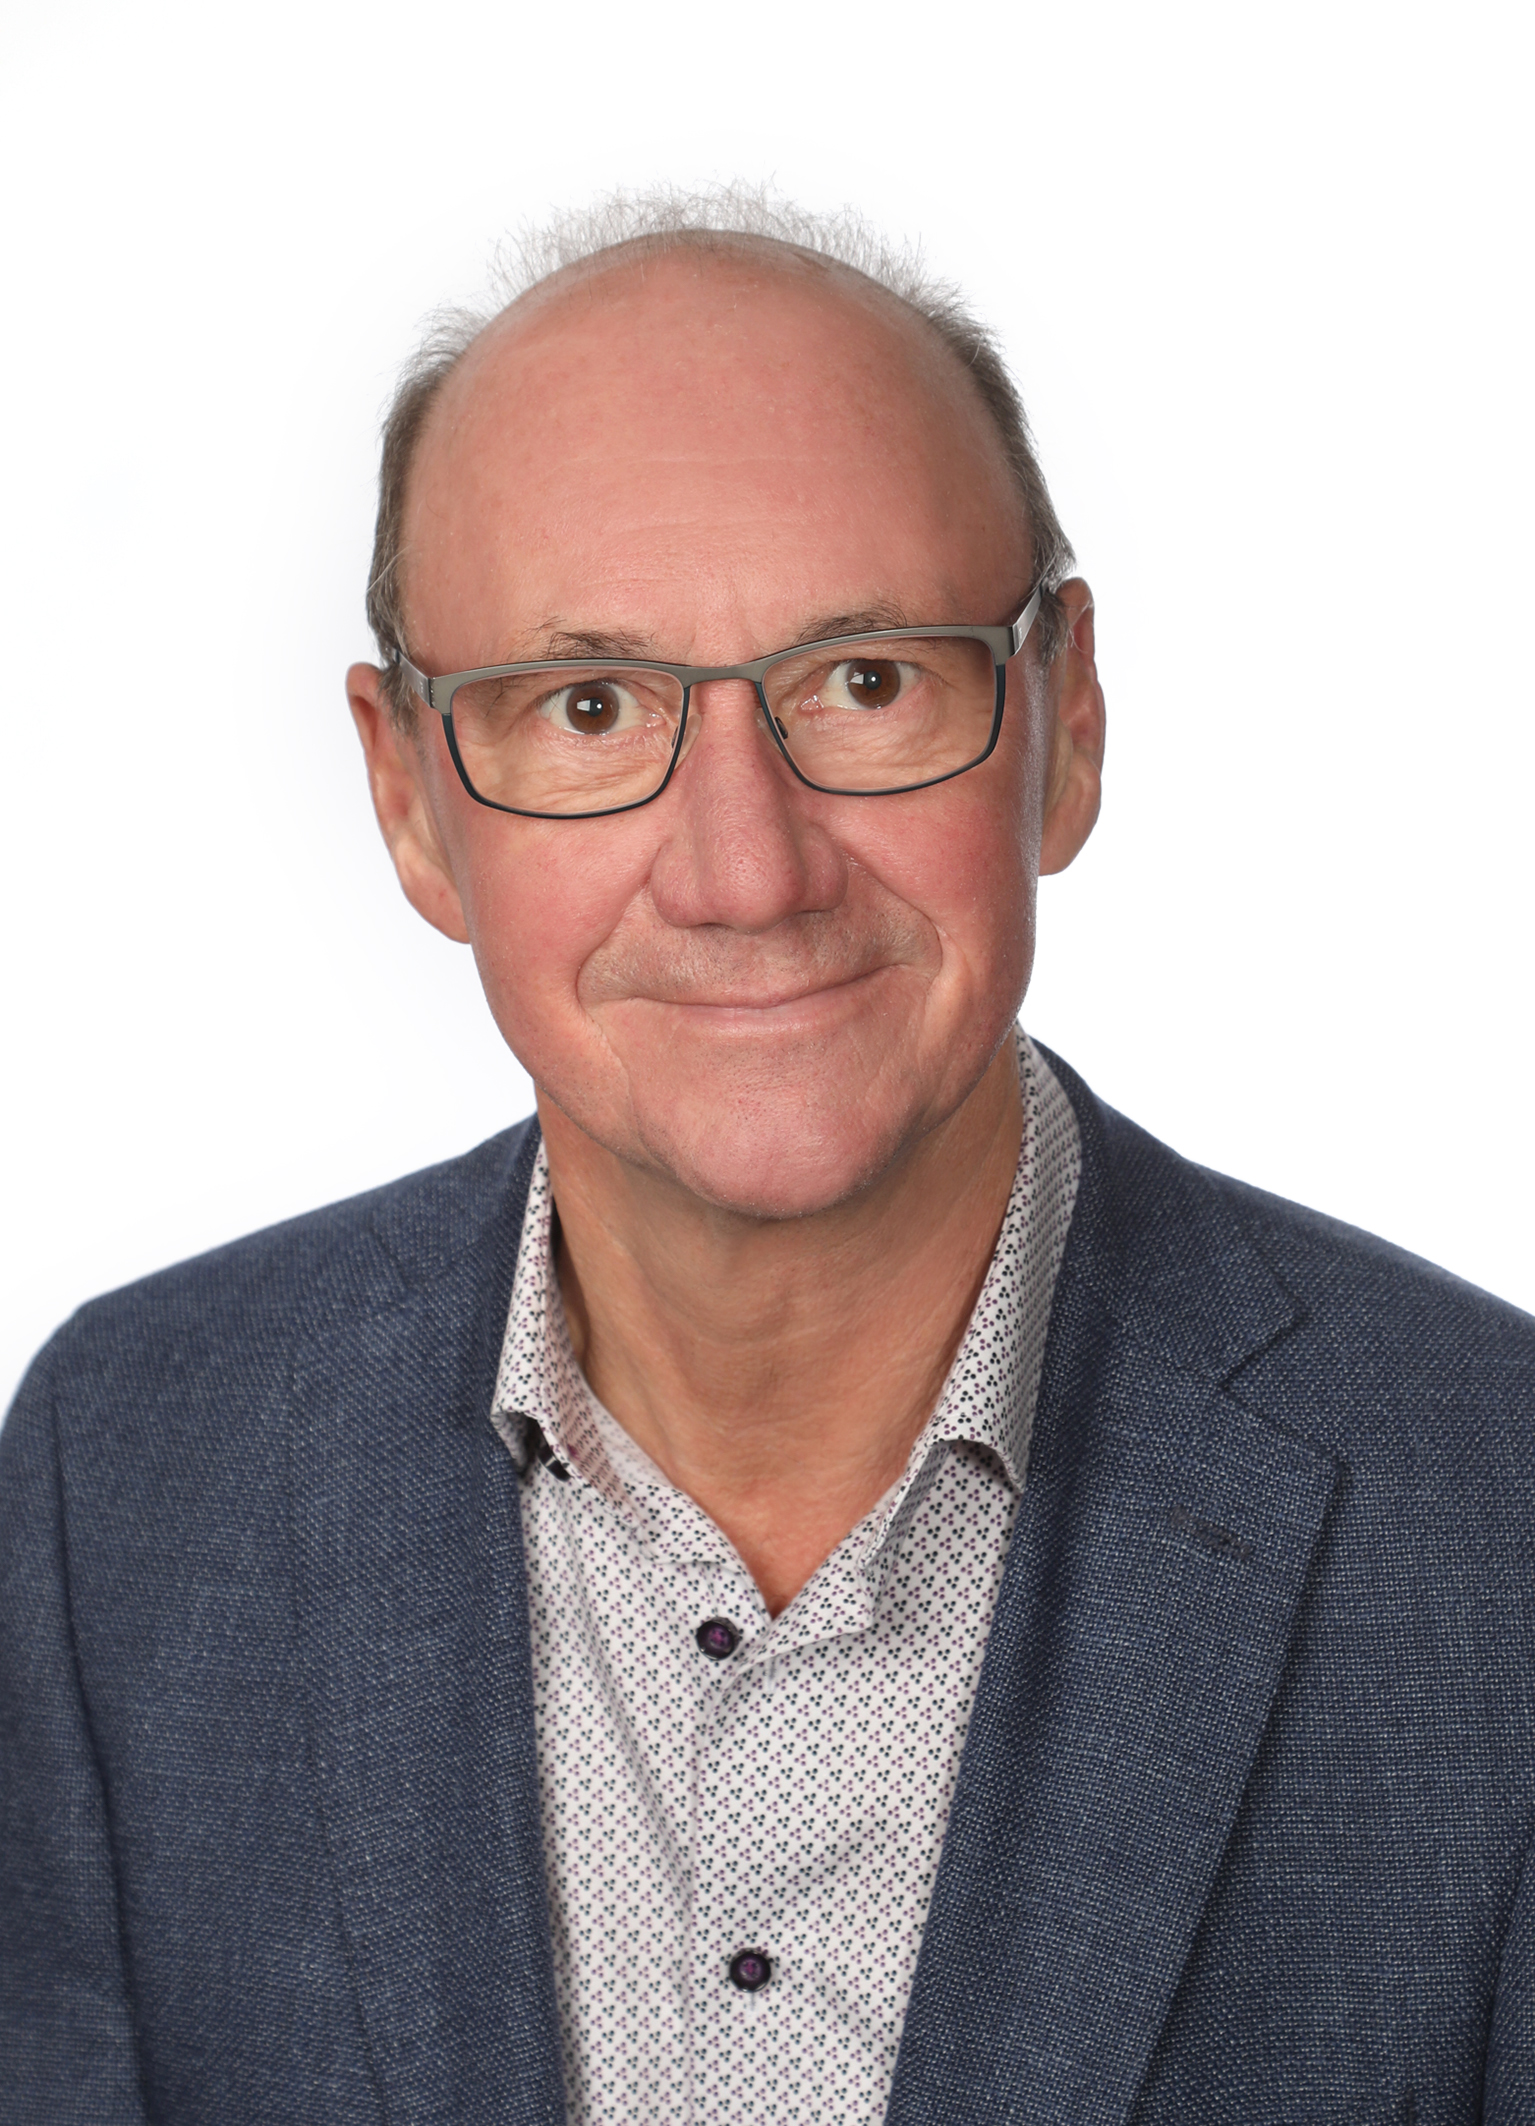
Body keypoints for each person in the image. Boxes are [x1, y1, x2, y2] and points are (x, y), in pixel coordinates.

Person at [2, 191, 1533, 2126]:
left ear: (1064, 721)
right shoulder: (131, 1480)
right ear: (409, 799)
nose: (748, 870)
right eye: (587, 707)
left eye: (868, 680)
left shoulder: (1495, 1522)